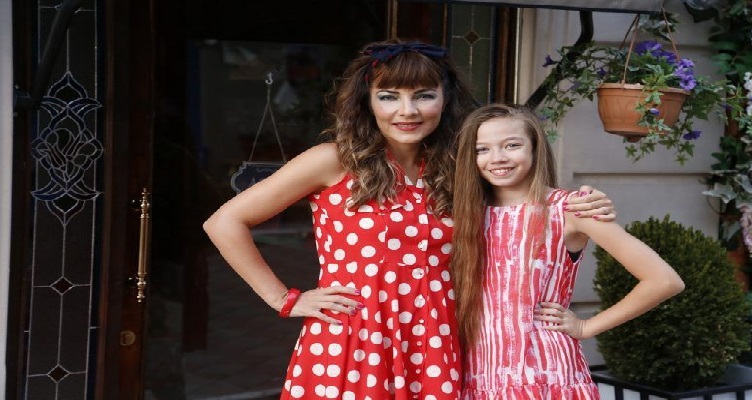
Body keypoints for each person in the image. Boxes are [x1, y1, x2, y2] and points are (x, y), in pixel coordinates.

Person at [203, 39, 615, 399]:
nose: (407, 111)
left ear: (445, 99)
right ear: (367, 101)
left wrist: (579, 204)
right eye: (389, 96)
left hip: (436, 339)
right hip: (355, 339)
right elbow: (224, 222)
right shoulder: (334, 160)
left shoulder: (458, 167)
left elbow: (520, 199)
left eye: (423, 95)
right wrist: (284, 299)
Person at [451, 104, 685, 400]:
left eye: (512, 145)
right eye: (482, 149)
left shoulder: (569, 209)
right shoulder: (464, 214)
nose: (497, 158)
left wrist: (586, 326)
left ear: (535, 148)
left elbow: (664, 280)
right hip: (477, 373)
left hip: (545, 375)